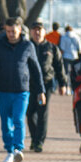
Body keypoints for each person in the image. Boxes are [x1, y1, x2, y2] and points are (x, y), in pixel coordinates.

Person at [0, 18, 44, 162]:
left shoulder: (27, 46)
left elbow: (36, 69)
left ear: (20, 30)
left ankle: (18, 149)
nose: (11, 34)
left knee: (18, 119)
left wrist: (41, 90)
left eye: (14, 31)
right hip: (3, 90)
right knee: (6, 122)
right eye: (9, 31)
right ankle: (9, 151)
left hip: (21, 90)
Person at [26, 23, 67, 152]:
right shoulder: (26, 46)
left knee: (42, 113)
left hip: (46, 84)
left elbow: (59, 66)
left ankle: (39, 142)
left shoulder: (51, 48)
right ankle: (34, 138)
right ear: (31, 32)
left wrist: (62, 83)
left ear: (44, 32)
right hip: (29, 84)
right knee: (30, 113)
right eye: (35, 30)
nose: (37, 33)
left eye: (40, 30)